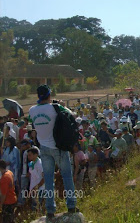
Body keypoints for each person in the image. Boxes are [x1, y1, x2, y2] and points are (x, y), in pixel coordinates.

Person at [28, 85, 78, 219]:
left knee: (48, 179)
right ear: (49, 95)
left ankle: (50, 210)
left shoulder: (32, 110)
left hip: (43, 148)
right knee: (67, 175)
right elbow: (73, 115)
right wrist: (61, 105)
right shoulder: (55, 107)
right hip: (58, 148)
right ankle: (71, 205)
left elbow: (31, 122)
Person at [27, 147, 45, 211]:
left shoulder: (40, 163)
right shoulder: (31, 163)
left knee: (38, 206)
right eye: (28, 155)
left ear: (36, 154)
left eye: (30, 155)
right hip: (33, 188)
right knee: (34, 206)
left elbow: (44, 177)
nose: (28, 157)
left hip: (39, 189)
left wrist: (37, 187)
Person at [0, 159, 17, 223]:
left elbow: (4, 194)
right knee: (11, 219)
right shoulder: (9, 172)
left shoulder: (4, 178)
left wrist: (1, 205)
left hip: (7, 202)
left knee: (7, 220)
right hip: (13, 198)